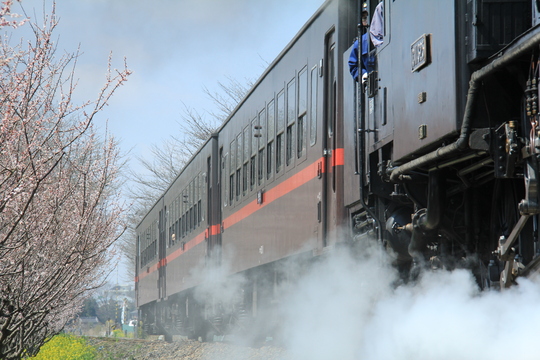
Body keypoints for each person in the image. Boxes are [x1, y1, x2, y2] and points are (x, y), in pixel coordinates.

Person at [348, 2, 371, 83]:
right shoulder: (360, 43)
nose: (365, 19)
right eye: (363, 17)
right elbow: (353, 65)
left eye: (367, 16)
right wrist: (363, 74)